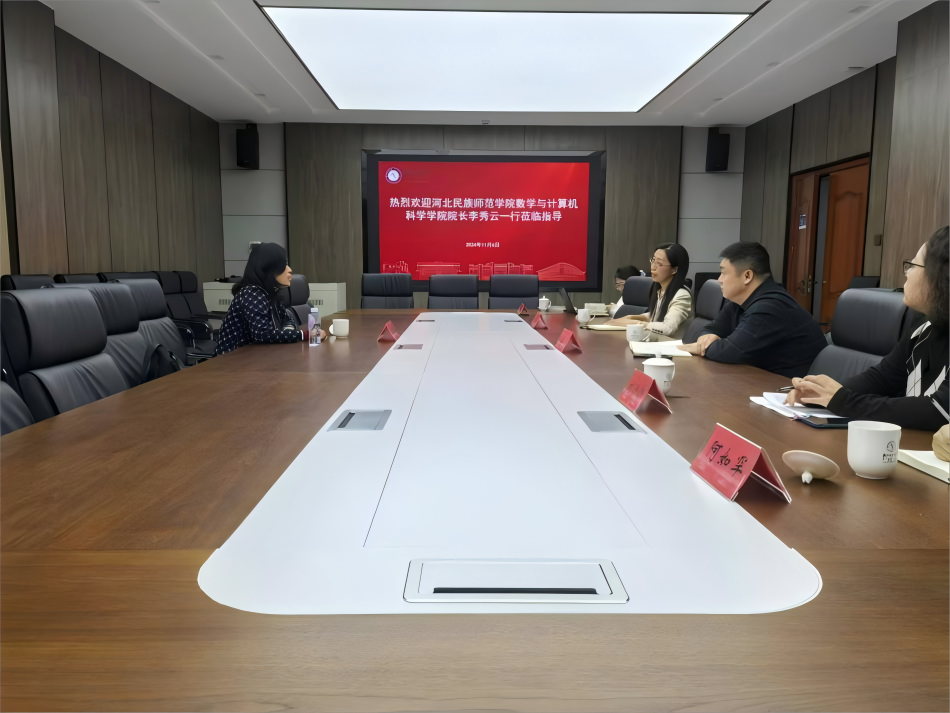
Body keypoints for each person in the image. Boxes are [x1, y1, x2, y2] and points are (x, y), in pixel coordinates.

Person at [786, 226, 949, 432]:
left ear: (940, 278)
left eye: (913, 265)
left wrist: (843, 401)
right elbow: (884, 378)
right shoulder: (923, 324)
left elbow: (939, 410)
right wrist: (821, 395)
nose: (907, 273)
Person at [680, 242, 827, 377]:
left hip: (790, 389)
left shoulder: (770, 307)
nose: (719, 279)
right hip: (762, 381)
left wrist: (703, 347)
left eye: (724, 273)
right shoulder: (740, 302)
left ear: (747, 276)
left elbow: (731, 352)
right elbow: (712, 329)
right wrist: (708, 336)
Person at [215, 243, 325, 355]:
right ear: (267, 269)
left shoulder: (268, 292)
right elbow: (262, 335)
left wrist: (288, 333)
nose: (289, 270)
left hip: (258, 355)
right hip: (232, 359)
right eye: (283, 265)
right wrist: (305, 335)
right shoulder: (251, 294)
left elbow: (287, 319)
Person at [607, 244, 692, 340]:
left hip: (669, 347)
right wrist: (631, 318)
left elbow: (668, 328)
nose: (653, 267)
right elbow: (656, 315)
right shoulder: (661, 291)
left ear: (674, 270)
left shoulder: (682, 296)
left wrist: (637, 323)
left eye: (659, 263)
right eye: (653, 260)